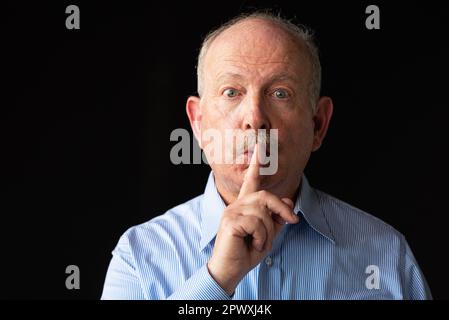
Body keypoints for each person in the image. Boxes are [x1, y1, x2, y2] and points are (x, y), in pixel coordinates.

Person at [101, 12, 432, 300]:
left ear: (318, 124)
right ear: (198, 123)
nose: (255, 117)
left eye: (280, 93)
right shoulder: (140, 255)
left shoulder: (387, 255)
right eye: (232, 92)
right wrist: (217, 280)